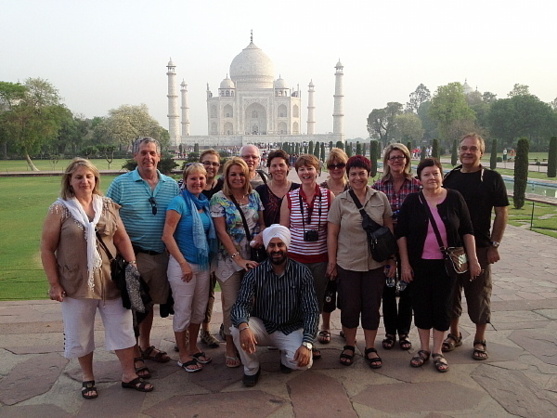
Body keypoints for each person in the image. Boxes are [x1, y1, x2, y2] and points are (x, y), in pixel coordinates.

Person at [41, 158, 154, 399]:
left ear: (95, 180)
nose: (84, 181)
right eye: (79, 177)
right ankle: (87, 377)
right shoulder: (60, 209)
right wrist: (54, 283)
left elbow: (122, 238)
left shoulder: (108, 206)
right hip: (76, 282)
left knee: (122, 328)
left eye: (89, 176)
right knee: (80, 332)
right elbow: (47, 247)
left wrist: (132, 266)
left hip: (111, 279)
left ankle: (128, 374)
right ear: (70, 181)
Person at [396, 158, 481, 373]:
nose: (431, 178)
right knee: (422, 306)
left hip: (446, 266)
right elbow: (402, 234)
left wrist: (473, 260)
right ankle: (424, 349)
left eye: (435, 173)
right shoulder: (412, 201)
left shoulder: (454, 198)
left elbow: (467, 230)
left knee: (443, 307)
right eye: (427, 174)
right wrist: (404, 264)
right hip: (419, 264)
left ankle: (438, 351)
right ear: (419, 178)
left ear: (441, 175)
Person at [106, 137, 180, 377]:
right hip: (133, 257)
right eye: (143, 153)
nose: (148, 157)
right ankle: (133, 354)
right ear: (135, 156)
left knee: (148, 305)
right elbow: (108, 219)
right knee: (132, 306)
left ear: (159, 156)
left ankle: (145, 345)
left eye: (152, 153)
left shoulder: (170, 184)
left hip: (161, 255)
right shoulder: (121, 184)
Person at [442, 133, 509, 360]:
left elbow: (502, 213)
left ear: (482, 152)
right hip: (454, 249)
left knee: (478, 293)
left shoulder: (491, 178)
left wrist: (494, 244)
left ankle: (480, 338)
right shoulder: (450, 178)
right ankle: (454, 334)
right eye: (464, 148)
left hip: (480, 247)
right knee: (452, 293)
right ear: (458, 151)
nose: (467, 152)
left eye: (473, 148)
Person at [230, 224, 319, 387]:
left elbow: (311, 311)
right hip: (264, 326)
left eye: (280, 245)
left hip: (290, 327)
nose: (276, 249)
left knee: (304, 363)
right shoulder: (255, 274)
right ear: (266, 247)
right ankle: (251, 368)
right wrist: (244, 327)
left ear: (287, 246)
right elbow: (241, 305)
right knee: (236, 329)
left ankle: (286, 360)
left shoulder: (302, 272)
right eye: (272, 245)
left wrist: (307, 343)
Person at [327, 155, 395, 368]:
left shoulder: (380, 198)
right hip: (348, 263)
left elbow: (388, 230)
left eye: (361, 173)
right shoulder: (341, 201)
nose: (357, 178)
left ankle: (370, 346)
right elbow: (332, 234)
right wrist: (332, 262)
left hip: (374, 264)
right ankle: (349, 344)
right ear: (348, 176)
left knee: (372, 306)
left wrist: (391, 259)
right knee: (349, 306)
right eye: (353, 173)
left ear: (369, 174)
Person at [162, 163, 218, 373]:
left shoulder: (203, 203)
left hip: (202, 265)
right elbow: (167, 236)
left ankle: (193, 347)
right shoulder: (179, 203)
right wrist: (183, 263)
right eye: (193, 179)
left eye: (201, 178)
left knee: (199, 310)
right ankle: (183, 353)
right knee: (183, 310)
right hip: (182, 265)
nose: (197, 182)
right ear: (185, 181)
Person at [210, 157, 266, 368]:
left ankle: (248, 339)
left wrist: (260, 236)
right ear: (226, 176)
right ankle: (231, 345)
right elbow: (221, 232)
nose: (237, 178)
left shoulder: (254, 196)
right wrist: (238, 258)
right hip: (229, 259)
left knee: (251, 302)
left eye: (241, 174)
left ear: (247, 175)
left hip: (252, 256)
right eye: (233, 174)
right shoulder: (218, 198)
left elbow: (261, 223)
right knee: (231, 304)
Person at [280, 154, 334, 360]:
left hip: (319, 259)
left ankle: (308, 341)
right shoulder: (290, 198)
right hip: (295, 259)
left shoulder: (328, 196)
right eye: (302, 169)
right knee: (294, 302)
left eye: (310, 168)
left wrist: (332, 261)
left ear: (317, 171)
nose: (306, 173)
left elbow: (331, 232)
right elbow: (283, 231)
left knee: (315, 304)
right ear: (297, 172)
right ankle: (293, 341)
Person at [372, 144, 421, 351]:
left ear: (407, 160)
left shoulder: (417, 186)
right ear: (387, 161)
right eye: (392, 158)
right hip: (387, 244)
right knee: (388, 288)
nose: (396, 161)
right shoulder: (378, 186)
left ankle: (404, 333)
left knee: (408, 288)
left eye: (401, 157)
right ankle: (390, 332)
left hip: (412, 243)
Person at [319, 147, 349, 344]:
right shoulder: (321, 188)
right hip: (325, 244)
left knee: (348, 292)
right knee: (327, 290)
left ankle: (348, 328)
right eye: (332, 165)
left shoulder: (353, 187)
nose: (336, 168)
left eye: (340, 165)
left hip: (349, 246)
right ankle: (326, 326)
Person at [198, 149, 224, 348]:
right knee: (195, 293)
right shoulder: (192, 187)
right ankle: (190, 332)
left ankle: (208, 329)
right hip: (197, 250)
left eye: (214, 164)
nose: (211, 167)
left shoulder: (223, 187)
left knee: (211, 292)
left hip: (221, 248)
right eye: (207, 163)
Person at [256, 149, 299, 227]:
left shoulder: (298, 189)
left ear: (288, 167)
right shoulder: (260, 191)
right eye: (274, 166)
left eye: (281, 165)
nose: (278, 169)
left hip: (294, 237)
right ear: (269, 169)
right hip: (268, 237)